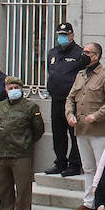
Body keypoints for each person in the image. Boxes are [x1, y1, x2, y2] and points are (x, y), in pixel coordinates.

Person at [65, 43, 105, 210]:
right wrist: (69, 113)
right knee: (88, 167)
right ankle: (88, 202)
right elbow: (70, 97)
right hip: (81, 129)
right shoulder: (80, 75)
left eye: (87, 53)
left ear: (96, 56)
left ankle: (103, 203)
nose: (84, 55)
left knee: (102, 167)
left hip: (99, 130)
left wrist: (98, 115)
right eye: (83, 52)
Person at [0, 77, 45, 210]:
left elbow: (38, 129)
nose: (13, 90)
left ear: (21, 89)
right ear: (5, 90)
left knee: (22, 187)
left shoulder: (30, 106)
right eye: (10, 88)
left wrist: (26, 142)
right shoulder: (0, 106)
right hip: (3, 152)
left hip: (21, 153)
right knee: (4, 186)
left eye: (16, 87)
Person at [44, 21, 86, 176]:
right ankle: (60, 162)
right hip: (56, 99)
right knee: (58, 132)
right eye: (60, 35)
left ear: (72, 35)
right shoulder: (53, 53)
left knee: (74, 133)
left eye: (65, 35)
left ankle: (74, 164)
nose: (62, 38)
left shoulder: (79, 54)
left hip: (73, 101)